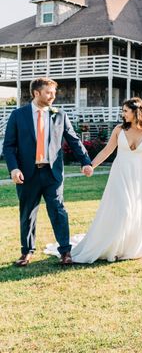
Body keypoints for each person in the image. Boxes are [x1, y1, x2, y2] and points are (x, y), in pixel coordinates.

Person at [44, 97, 142, 263]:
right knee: (123, 209)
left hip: (139, 176)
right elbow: (106, 151)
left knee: (135, 211)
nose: (123, 114)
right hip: (120, 174)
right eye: (123, 110)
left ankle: (126, 248)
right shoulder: (119, 130)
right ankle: (112, 247)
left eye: (126, 111)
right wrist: (91, 166)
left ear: (136, 111)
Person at [2, 77, 94, 267]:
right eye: (49, 92)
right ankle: (26, 252)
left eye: (54, 92)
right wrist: (14, 168)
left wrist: (85, 161)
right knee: (27, 213)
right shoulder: (18, 115)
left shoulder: (59, 114)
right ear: (36, 93)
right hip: (27, 174)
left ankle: (65, 252)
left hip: (52, 174)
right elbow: (9, 146)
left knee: (59, 211)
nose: (53, 96)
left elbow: (74, 140)